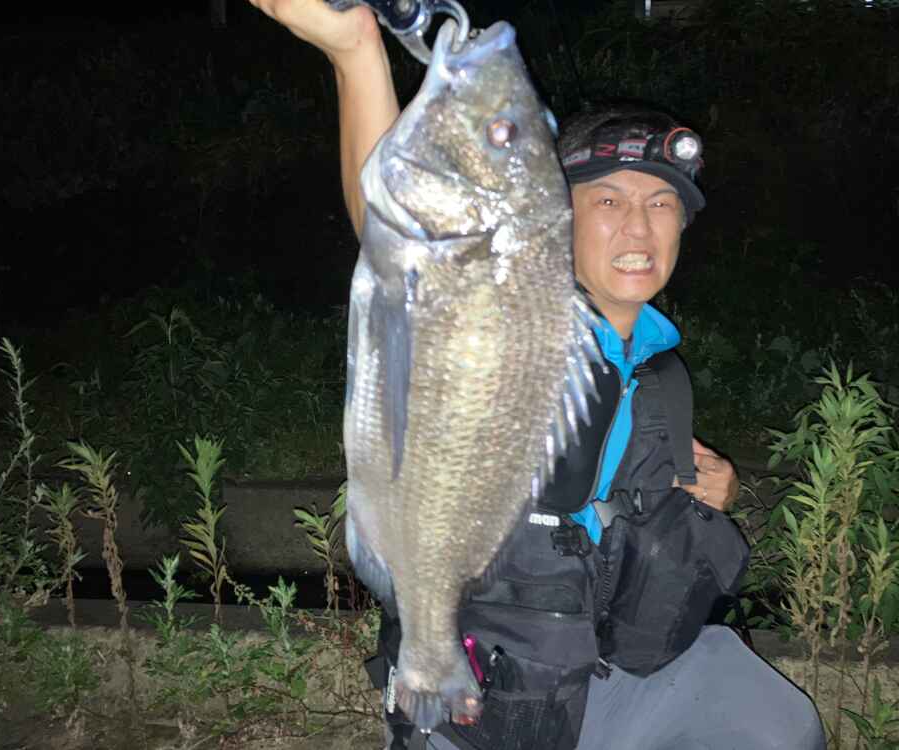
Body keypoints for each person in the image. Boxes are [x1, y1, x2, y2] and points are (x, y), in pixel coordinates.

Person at [247, 2, 827, 749]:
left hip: (605, 668)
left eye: (661, 204)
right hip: (493, 686)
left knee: (775, 722)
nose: (639, 227)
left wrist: (721, 487)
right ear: (556, 216)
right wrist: (357, 54)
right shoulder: (506, 327)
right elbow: (397, 237)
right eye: (608, 200)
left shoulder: (656, 366)